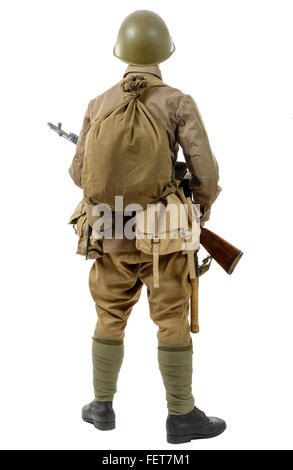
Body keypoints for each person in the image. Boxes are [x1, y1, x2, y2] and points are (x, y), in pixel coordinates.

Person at [69, 10, 225, 444]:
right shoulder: (177, 101)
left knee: (109, 315)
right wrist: (201, 208)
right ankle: (182, 417)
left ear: (123, 52)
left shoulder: (99, 103)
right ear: (162, 53)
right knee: (171, 317)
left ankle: (101, 407)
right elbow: (206, 173)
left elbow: (79, 174)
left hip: (107, 231)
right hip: (165, 237)